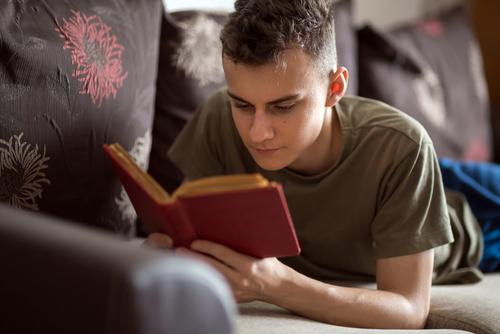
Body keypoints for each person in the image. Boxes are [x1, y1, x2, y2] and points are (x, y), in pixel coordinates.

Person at [145, 0, 483, 329]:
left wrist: (277, 286)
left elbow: (409, 311)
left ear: (334, 88)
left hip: (466, 215)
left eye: (283, 107)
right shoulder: (218, 118)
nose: (258, 133)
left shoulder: (402, 149)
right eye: (244, 105)